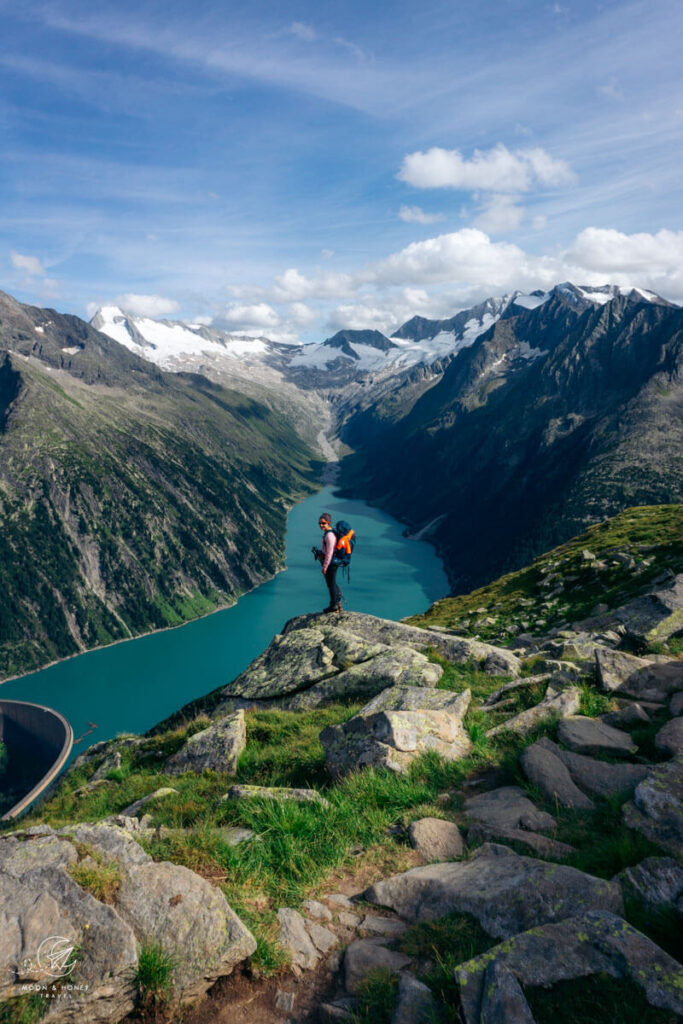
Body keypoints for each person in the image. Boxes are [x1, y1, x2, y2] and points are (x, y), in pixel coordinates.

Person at [318, 512, 342, 613]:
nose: (321, 525)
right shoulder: (328, 533)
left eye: (324, 523)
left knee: (331, 584)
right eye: (320, 523)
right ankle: (338, 603)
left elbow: (329, 553)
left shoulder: (329, 536)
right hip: (332, 563)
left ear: (328, 522)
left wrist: (325, 566)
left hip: (331, 564)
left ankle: (333, 606)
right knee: (332, 583)